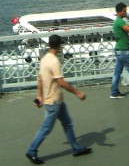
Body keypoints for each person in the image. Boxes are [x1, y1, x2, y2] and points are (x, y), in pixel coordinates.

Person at [25, 34, 92, 164]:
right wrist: (78, 93)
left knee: (68, 124)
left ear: (49, 44)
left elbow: (40, 78)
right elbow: (61, 82)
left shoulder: (44, 58)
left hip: (57, 100)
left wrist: (40, 96)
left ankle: (76, 148)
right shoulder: (55, 61)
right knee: (46, 129)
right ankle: (31, 151)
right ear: (60, 46)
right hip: (53, 101)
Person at [110, 2, 129, 99]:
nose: (126, 12)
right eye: (124, 11)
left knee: (117, 72)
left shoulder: (119, 21)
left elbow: (125, 35)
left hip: (119, 50)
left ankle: (114, 92)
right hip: (123, 51)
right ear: (119, 12)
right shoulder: (119, 21)